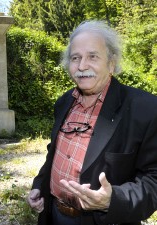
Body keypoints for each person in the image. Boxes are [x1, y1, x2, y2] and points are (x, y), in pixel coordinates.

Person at [27, 20, 157, 225]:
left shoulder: (145, 108)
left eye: (93, 56)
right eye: (75, 58)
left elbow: (154, 178)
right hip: (54, 214)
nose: (82, 66)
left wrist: (113, 200)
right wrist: (40, 184)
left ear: (112, 63)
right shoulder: (63, 103)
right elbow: (54, 151)